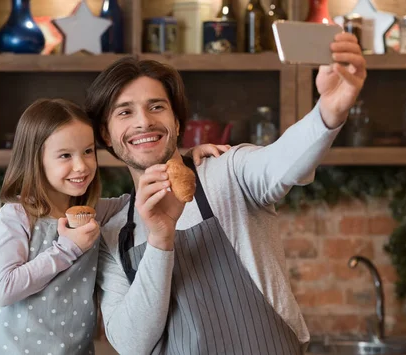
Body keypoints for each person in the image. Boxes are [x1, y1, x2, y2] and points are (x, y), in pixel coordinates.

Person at [85, 32, 366, 355]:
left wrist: (328, 111)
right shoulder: (115, 232)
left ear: (177, 123)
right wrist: (161, 238)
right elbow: (132, 345)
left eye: (156, 106)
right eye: (125, 112)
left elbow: (283, 160)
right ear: (106, 134)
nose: (144, 122)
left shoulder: (227, 171)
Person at [0, 98, 228, 355]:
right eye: (65, 155)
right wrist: (68, 249)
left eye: (88, 151)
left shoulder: (94, 212)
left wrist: (185, 160)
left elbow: (138, 199)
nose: (82, 166)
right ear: (35, 159)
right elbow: (4, 289)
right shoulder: (17, 216)